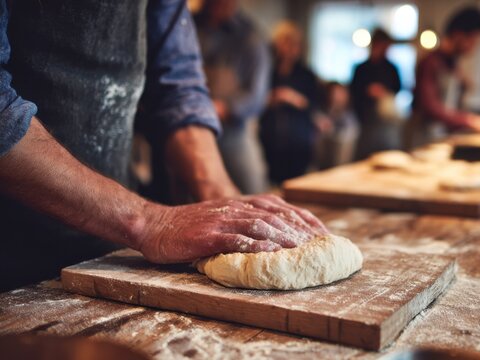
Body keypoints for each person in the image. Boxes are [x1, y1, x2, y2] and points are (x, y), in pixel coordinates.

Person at [0, 0, 327, 292]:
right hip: (11, 240)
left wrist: (219, 193)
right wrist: (147, 221)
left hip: (111, 244)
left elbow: (178, 85)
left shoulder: (248, 38)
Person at [195, 0, 270, 194]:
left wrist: (222, 107)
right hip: (190, 127)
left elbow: (256, 96)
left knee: (252, 191)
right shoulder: (188, 25)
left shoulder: (250, 37)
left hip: (232, 132)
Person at [406, 7, 480, 149]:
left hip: (441, 137)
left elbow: (451, 105)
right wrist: (471, 121)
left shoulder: (451, 64)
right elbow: (430, 106)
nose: (475, 46)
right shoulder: (431, 62)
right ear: (458, 35)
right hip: (424, 139)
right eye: (474, 39)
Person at [259, 21, 320, 183]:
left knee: (297, 183)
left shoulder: (307, 74)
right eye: (286, 42)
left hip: (299, 140)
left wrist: (293, 98)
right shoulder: (267, 72)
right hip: (271, 137)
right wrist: (273, 98)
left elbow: (315, 106)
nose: (290, 48)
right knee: (271, 185)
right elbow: (255, 102)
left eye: (294, 44)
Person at [350, 28, 402, 160]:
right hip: (367, 120)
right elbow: (353, 92)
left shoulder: (391, 68)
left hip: (386, 119)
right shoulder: (361, 68)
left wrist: (384, 92)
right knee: (364, 157)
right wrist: (368, 91)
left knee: (388, 156)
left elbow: (398, 88)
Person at [314, 82, 359, 169]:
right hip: (321, 159)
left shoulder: (349, 115)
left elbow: (349, 133)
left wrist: (331, 129)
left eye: (339, 93)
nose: (336, 96)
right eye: (333, 93)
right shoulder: (323, 110)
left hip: (340, 159)